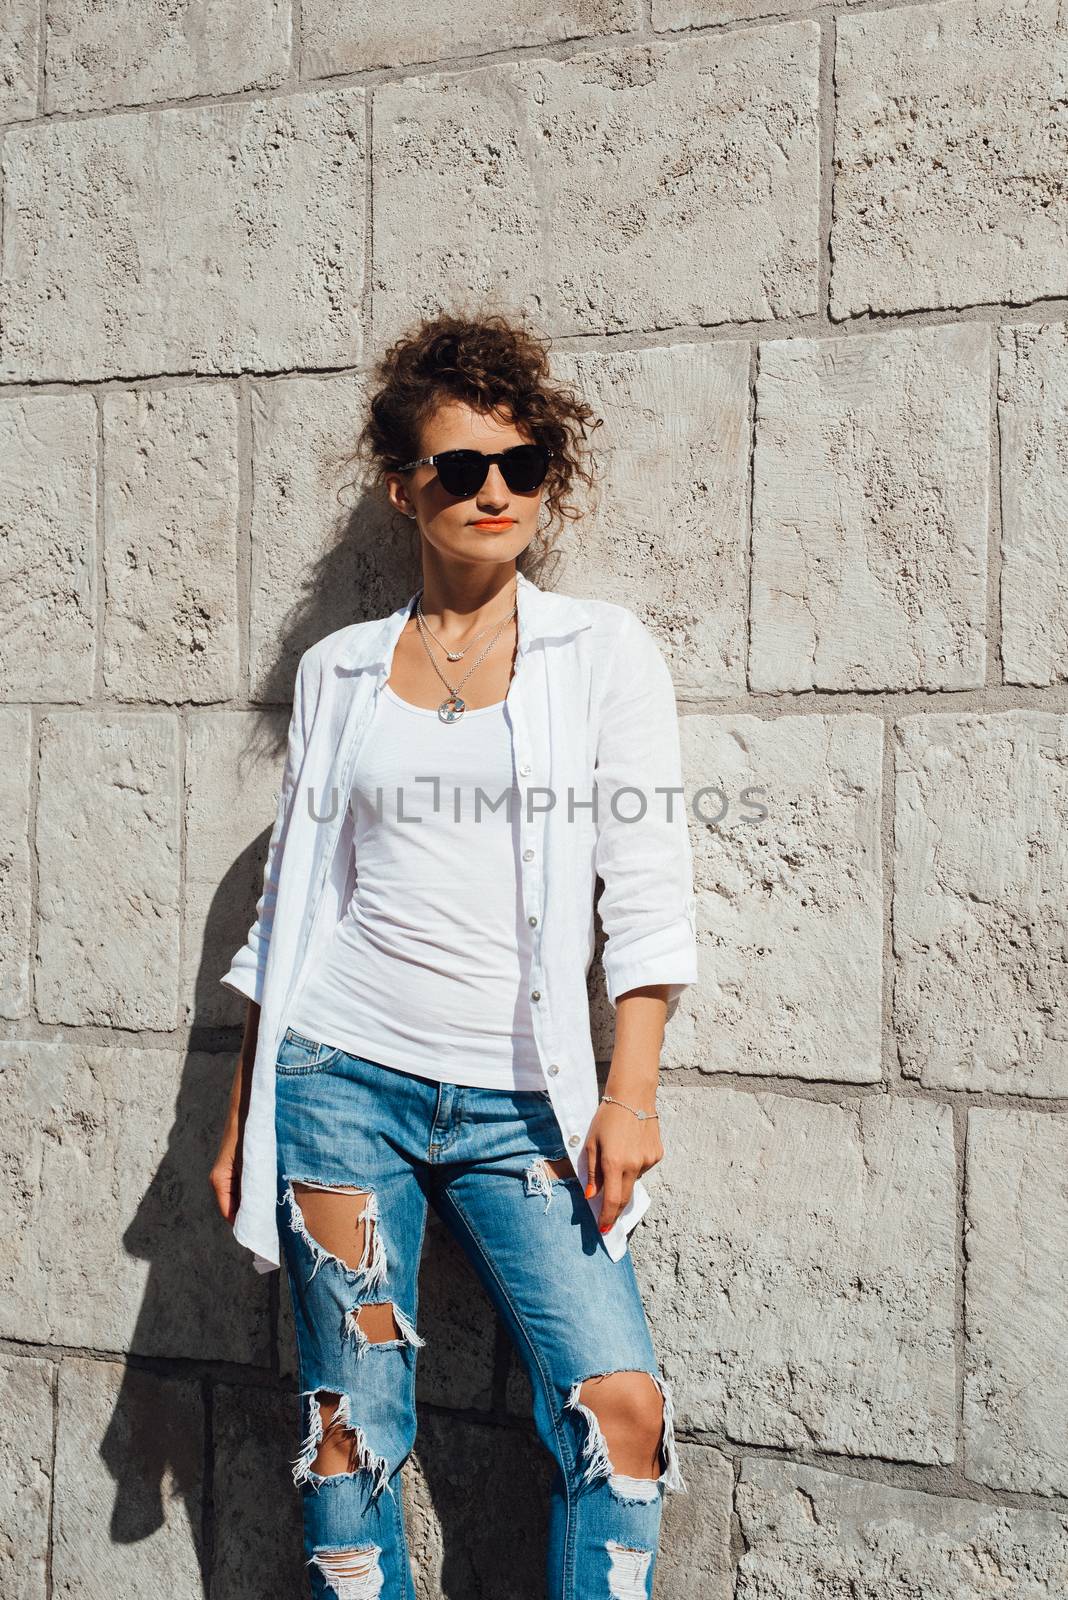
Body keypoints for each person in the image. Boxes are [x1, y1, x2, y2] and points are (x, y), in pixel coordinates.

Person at [210, 310, 699, 1600]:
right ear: (403, 486)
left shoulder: (601, 654)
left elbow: (646, 895)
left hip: (525, 1102)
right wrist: (240, 1114)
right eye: (462, 468)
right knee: (349, 1427)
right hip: (341, 1076)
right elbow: (292, 909)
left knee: (621, 1407)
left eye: (522, 466)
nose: (495, 492)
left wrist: (631, 1095)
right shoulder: (340, 673)